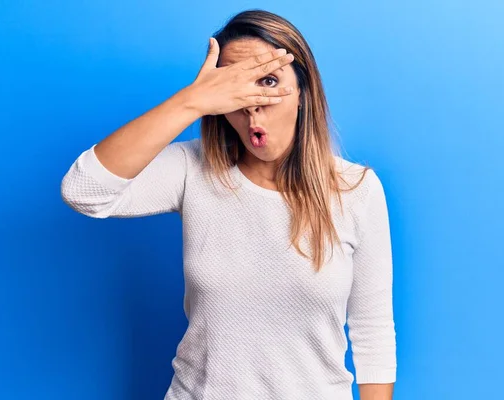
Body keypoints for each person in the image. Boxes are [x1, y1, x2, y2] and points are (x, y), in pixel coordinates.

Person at [61, 9, 397, 400]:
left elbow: (373, 331)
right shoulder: (194, 168)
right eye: (235, 89)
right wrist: (190, 102)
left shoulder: (356, 190)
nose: (252, 104)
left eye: (268, 82)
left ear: (304, 92)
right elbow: (83, 190)